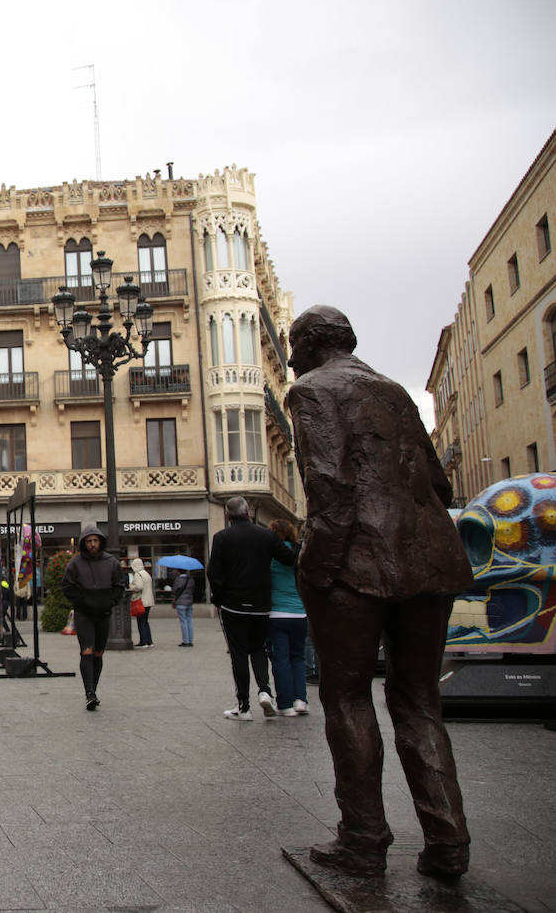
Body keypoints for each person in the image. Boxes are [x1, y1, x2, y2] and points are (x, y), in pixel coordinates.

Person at [285, 304, 472, 880]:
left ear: (309, 344)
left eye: (292, 345)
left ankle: (363, 839)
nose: (288, 358)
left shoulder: (312, 391)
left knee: (347, 697)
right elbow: (439, 483)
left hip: (356, 561)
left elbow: (330, 485)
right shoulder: (393, 391)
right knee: (418, 701)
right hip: (428, 559)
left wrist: (316, 567)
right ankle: (448, 841)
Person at [207, 496, 288, 721]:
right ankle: (265, 691)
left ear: (227, 515)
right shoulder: (266, 535)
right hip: (261, 604)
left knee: (238, 654)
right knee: (259, 649)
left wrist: (219, 598)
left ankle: (243, 707)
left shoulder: (222, 537)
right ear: (248, 512)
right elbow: (288, 558)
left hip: (234, 606)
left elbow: (214, 572)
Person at [60, 524, 126, 711]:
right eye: (89, 541)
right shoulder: (76, 563)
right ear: (84, 543)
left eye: (95, 540)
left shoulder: (111, 562)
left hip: (103, 614)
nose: (92, 544)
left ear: (100, 542)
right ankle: (89, 692)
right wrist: (81, 601)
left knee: (98, 653)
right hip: (84, 614)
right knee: (86, 651)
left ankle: (93, 690)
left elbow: (120, 585)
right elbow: (67, 586)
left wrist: (110, 601)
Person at [266, 520, 310, 717]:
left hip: (276, 613)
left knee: (281, 659)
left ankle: (285, 704)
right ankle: (301, 699)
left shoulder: (270, 556)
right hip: (300, 612)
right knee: (298, 657)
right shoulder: (300, 554)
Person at [127, 557, 154, 648]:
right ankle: (149, 641)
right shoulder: (146, 573)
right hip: (148, 600)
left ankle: (143, 641)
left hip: (141, 601)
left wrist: (131, 587)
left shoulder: (138, 574)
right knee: (145, 621)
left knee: (141, 621)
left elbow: (139, 586)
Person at [171, 569, 195, 647]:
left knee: (183, 622)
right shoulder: (190, 579)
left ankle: (186, 641)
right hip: (189, 602)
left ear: (179, 571)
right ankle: (190, 640)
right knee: (189, 621)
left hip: (181, 602)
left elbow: (175, 590)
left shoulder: (178, 580)